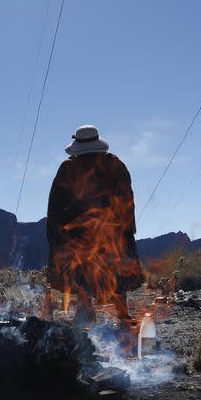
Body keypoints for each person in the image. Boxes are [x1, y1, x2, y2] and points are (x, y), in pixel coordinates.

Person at [46, 125, 142, 323]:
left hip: (77, 232)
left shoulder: (68, 168)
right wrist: (127, 228)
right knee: (117, 270)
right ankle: (122, 313)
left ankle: (86, 310)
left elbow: (55, 203)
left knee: (81, 271)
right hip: (112, 229)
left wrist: (55, 234)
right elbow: (127, 198)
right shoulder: (114, 164)